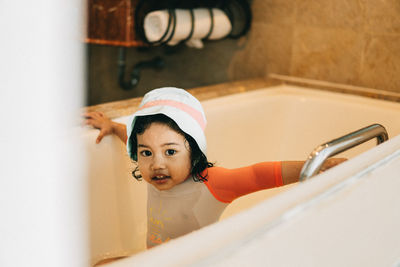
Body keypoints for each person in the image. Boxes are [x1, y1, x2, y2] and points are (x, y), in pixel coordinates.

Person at [85, 87, 345, 248]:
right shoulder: (158, 172)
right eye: (146, 153)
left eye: (171, 151)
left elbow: (258, 174)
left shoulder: (211, 182)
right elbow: (134, 136)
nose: (157, 163)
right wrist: (112, 125)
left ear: (195, 151)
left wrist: (314, 165)